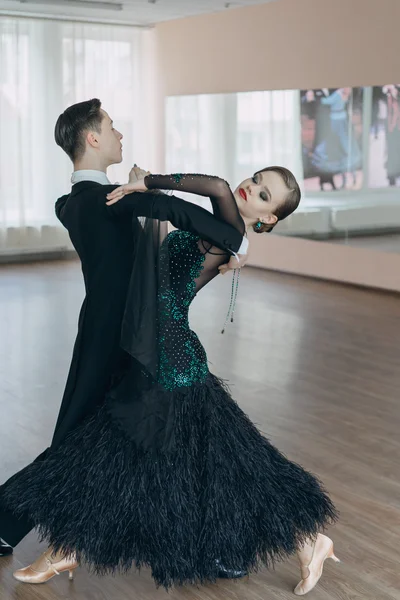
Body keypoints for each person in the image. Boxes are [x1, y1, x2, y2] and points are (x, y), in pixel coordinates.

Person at [4, 167, 338, 596]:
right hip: (164, 347)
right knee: (218, 460)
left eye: (262, 193)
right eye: (256, 178)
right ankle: (308, 539)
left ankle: (69, 547)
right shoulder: (222, 229)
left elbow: (216, 186)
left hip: (169, 355)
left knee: (124, 444)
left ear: (267, 218)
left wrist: (148, 182)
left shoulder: (231, 229)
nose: (249, 187)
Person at [0, 99, 249, 568]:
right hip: (131, 341)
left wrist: (135, 189)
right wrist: (238, 241)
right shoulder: (110, 199)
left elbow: (145, 223)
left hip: (104, 334)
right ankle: (205, 548)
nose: (119, 134)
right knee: (140, 440)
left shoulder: (74, 203)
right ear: (92, 138)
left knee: (91, 437)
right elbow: (169, 207)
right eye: (112, 128)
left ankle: (8, 524)